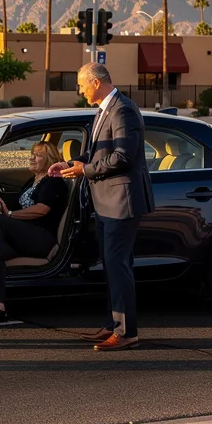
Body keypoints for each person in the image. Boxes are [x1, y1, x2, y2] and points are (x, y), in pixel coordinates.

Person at [48, 63, 155, 351]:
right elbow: (98, 152)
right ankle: (112, 325)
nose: (80, 91)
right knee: (111, 265)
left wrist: (86, 170)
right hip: (106, 202)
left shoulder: (123, 109)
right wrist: (72, 164)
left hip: (122, 202)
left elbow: (123, 157)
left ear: (95, 82)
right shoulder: (104, 110)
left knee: (118, 266)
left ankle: (126, 332)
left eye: (82, 85)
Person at [0, 142, 69, 326]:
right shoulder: (32, 180)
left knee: (0, 222)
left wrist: (10, 214)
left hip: (42, 238)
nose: (31, 158)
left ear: (50, 159)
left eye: (38, 155)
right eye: (32, 153)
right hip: (24, 237)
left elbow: (41, 210)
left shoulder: (54, 182)